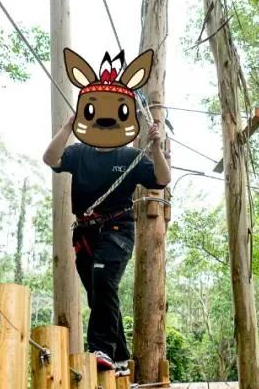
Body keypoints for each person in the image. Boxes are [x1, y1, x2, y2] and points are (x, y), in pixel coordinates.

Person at [43, 112, 170, 371]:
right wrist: (68, 125)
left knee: (103, 282)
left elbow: (162, 179)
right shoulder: (79, 153)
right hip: (86, 232)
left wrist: (156, 148)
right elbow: (50, 158)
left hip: (117, 229)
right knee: (98, 294)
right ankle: (120, 356)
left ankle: (101, 348)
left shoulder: (129, 157)